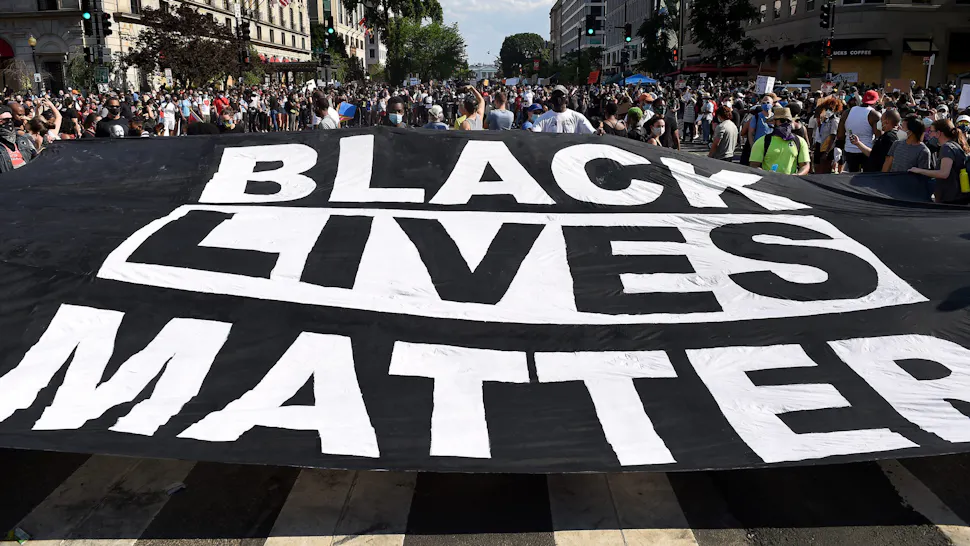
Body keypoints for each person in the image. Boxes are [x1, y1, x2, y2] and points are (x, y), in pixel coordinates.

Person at [908, 119, 970, 204]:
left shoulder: (946, 148)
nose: (929, 134)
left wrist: (919, 170)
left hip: (951, 199)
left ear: (939, 133)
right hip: (958, 197)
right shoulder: (955, 145)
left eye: (931, 131)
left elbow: (944, 173)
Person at [749, 107, 810, 175]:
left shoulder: (800, 141)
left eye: (788, 121)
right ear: (774, 122)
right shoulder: (762, 141)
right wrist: (766, 174)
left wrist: (798, 175)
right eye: (782, 121)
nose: (786, 124)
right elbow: (754, 165)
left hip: (789, 183)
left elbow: (805, 165)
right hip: (769, 183)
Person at [838, 89, 882, 172]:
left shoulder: (847, 112)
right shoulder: (875, 115)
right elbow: (879, 137)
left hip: (849, 150)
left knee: (851, 176)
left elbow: (840, 135)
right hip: (867, 151)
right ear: (876, 102)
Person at [812, 96, 842, 174]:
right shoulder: (825, 120)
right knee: (817, 168)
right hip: (820, 146)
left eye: (831, 109)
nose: (828, 110)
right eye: (827, 108)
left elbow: (833, 137)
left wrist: (826, 152)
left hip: (827, 149)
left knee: (825, 169)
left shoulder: (835, 121)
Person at [0, 105, 34, 173]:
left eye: (10, 119)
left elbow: (36, 161)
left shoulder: (24, 141)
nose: (9, 122)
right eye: (5, 120)